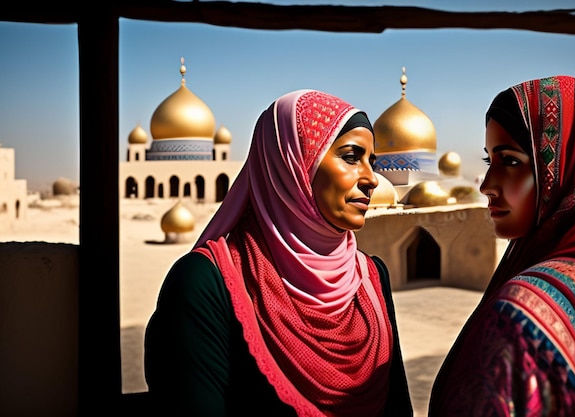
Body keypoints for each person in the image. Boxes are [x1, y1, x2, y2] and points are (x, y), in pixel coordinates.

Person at [144, 89, 414, 416]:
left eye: (371, 161)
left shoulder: (371, 279)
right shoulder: (206, 283)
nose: (372, 179)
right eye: (350, 156)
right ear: (292, 163)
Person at [428, 75, 575, 416]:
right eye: (490, 161)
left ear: (567, 168)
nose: (487, 186)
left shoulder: (522, 314)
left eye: (511, 161)